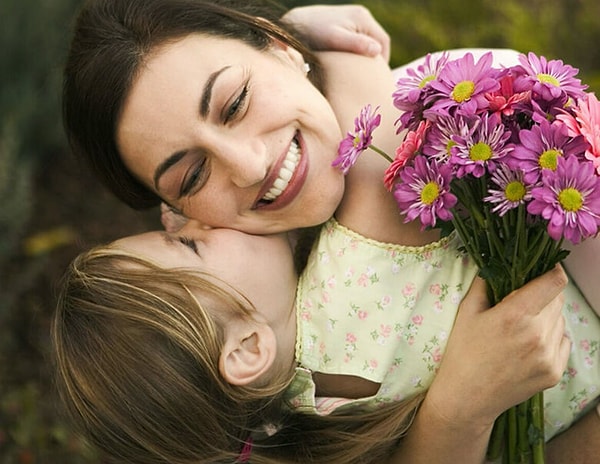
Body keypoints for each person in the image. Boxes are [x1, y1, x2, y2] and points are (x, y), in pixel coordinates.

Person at [57, 0, 599, 462]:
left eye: (236, 103)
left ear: (276, 48)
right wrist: (314, 44)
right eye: (193, 176)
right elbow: (371, 139)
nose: (248, 166)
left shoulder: (472, 104)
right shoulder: (341, 278)